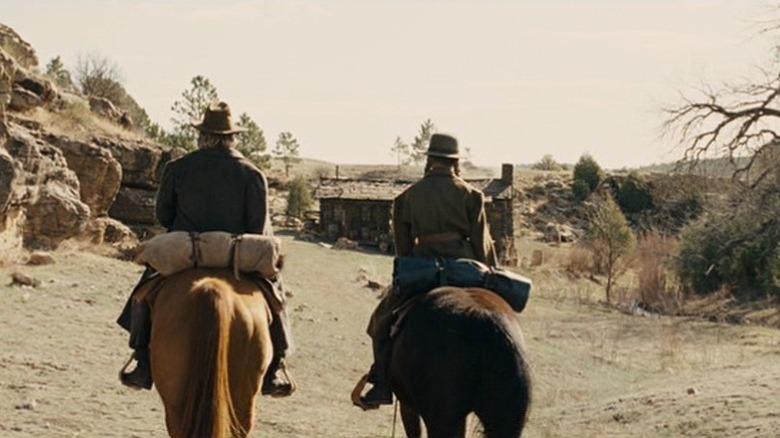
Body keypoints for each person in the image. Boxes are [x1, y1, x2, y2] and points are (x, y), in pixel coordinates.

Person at [117, 101, 296, 397]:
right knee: (274, 293)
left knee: (145, 290)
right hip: (238, 255)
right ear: (232, 137)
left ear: (202, 136)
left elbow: (163, 216)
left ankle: (141, 358)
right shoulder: (252, 174)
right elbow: (258, 227)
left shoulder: (178, 168)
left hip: (187, 252)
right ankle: (277, 364)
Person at [359, 133, 498, 407]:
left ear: (429, 160)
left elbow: (403, 248)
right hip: (465, 269)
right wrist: (492, 273)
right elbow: (482, 243)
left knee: (379, 322)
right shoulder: (472, 196)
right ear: (455, 163)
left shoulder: (407, 197)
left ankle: (382, 384)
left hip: (423, 269)